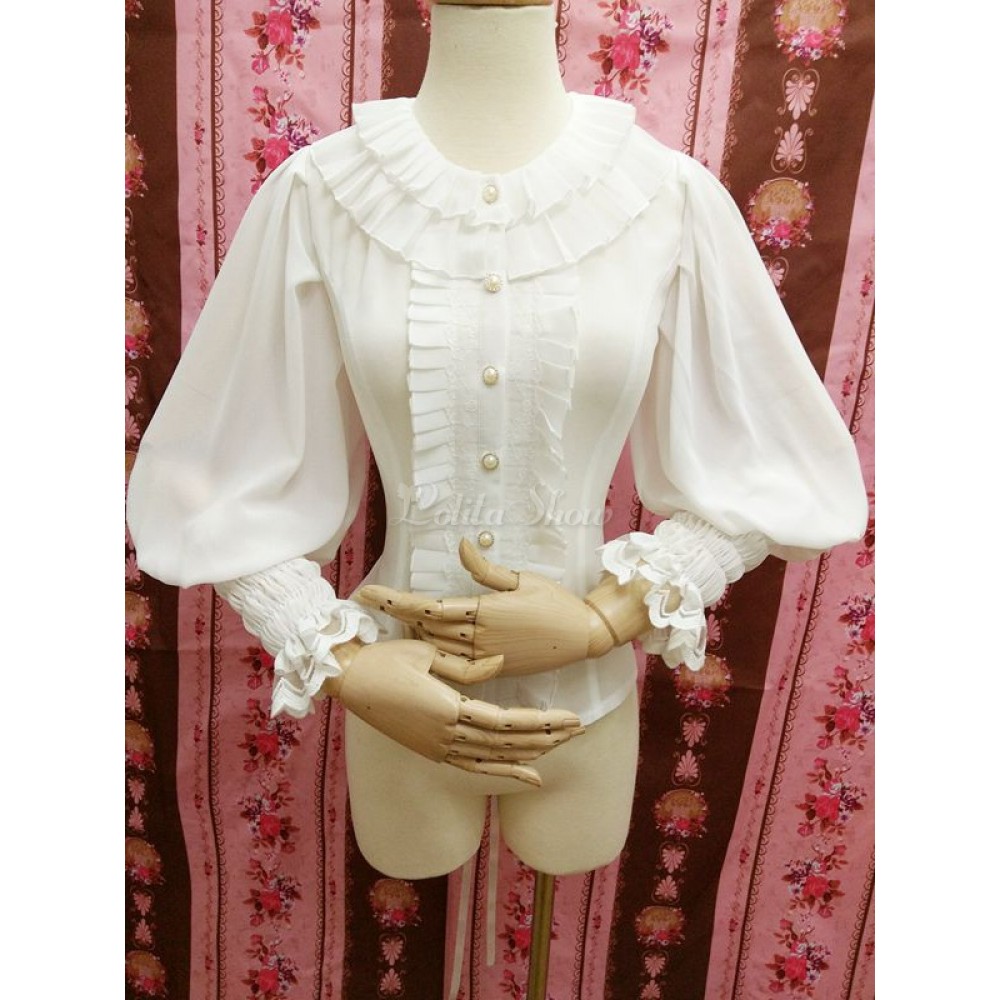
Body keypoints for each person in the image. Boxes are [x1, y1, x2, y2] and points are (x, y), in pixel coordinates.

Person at [126, 0, 867, 882]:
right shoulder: (321, 196)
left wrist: (604, 618)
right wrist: (347, 666)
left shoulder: (664, 199)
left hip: (584, 714)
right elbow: (212, 475)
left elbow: (780, 463)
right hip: (398, 707)